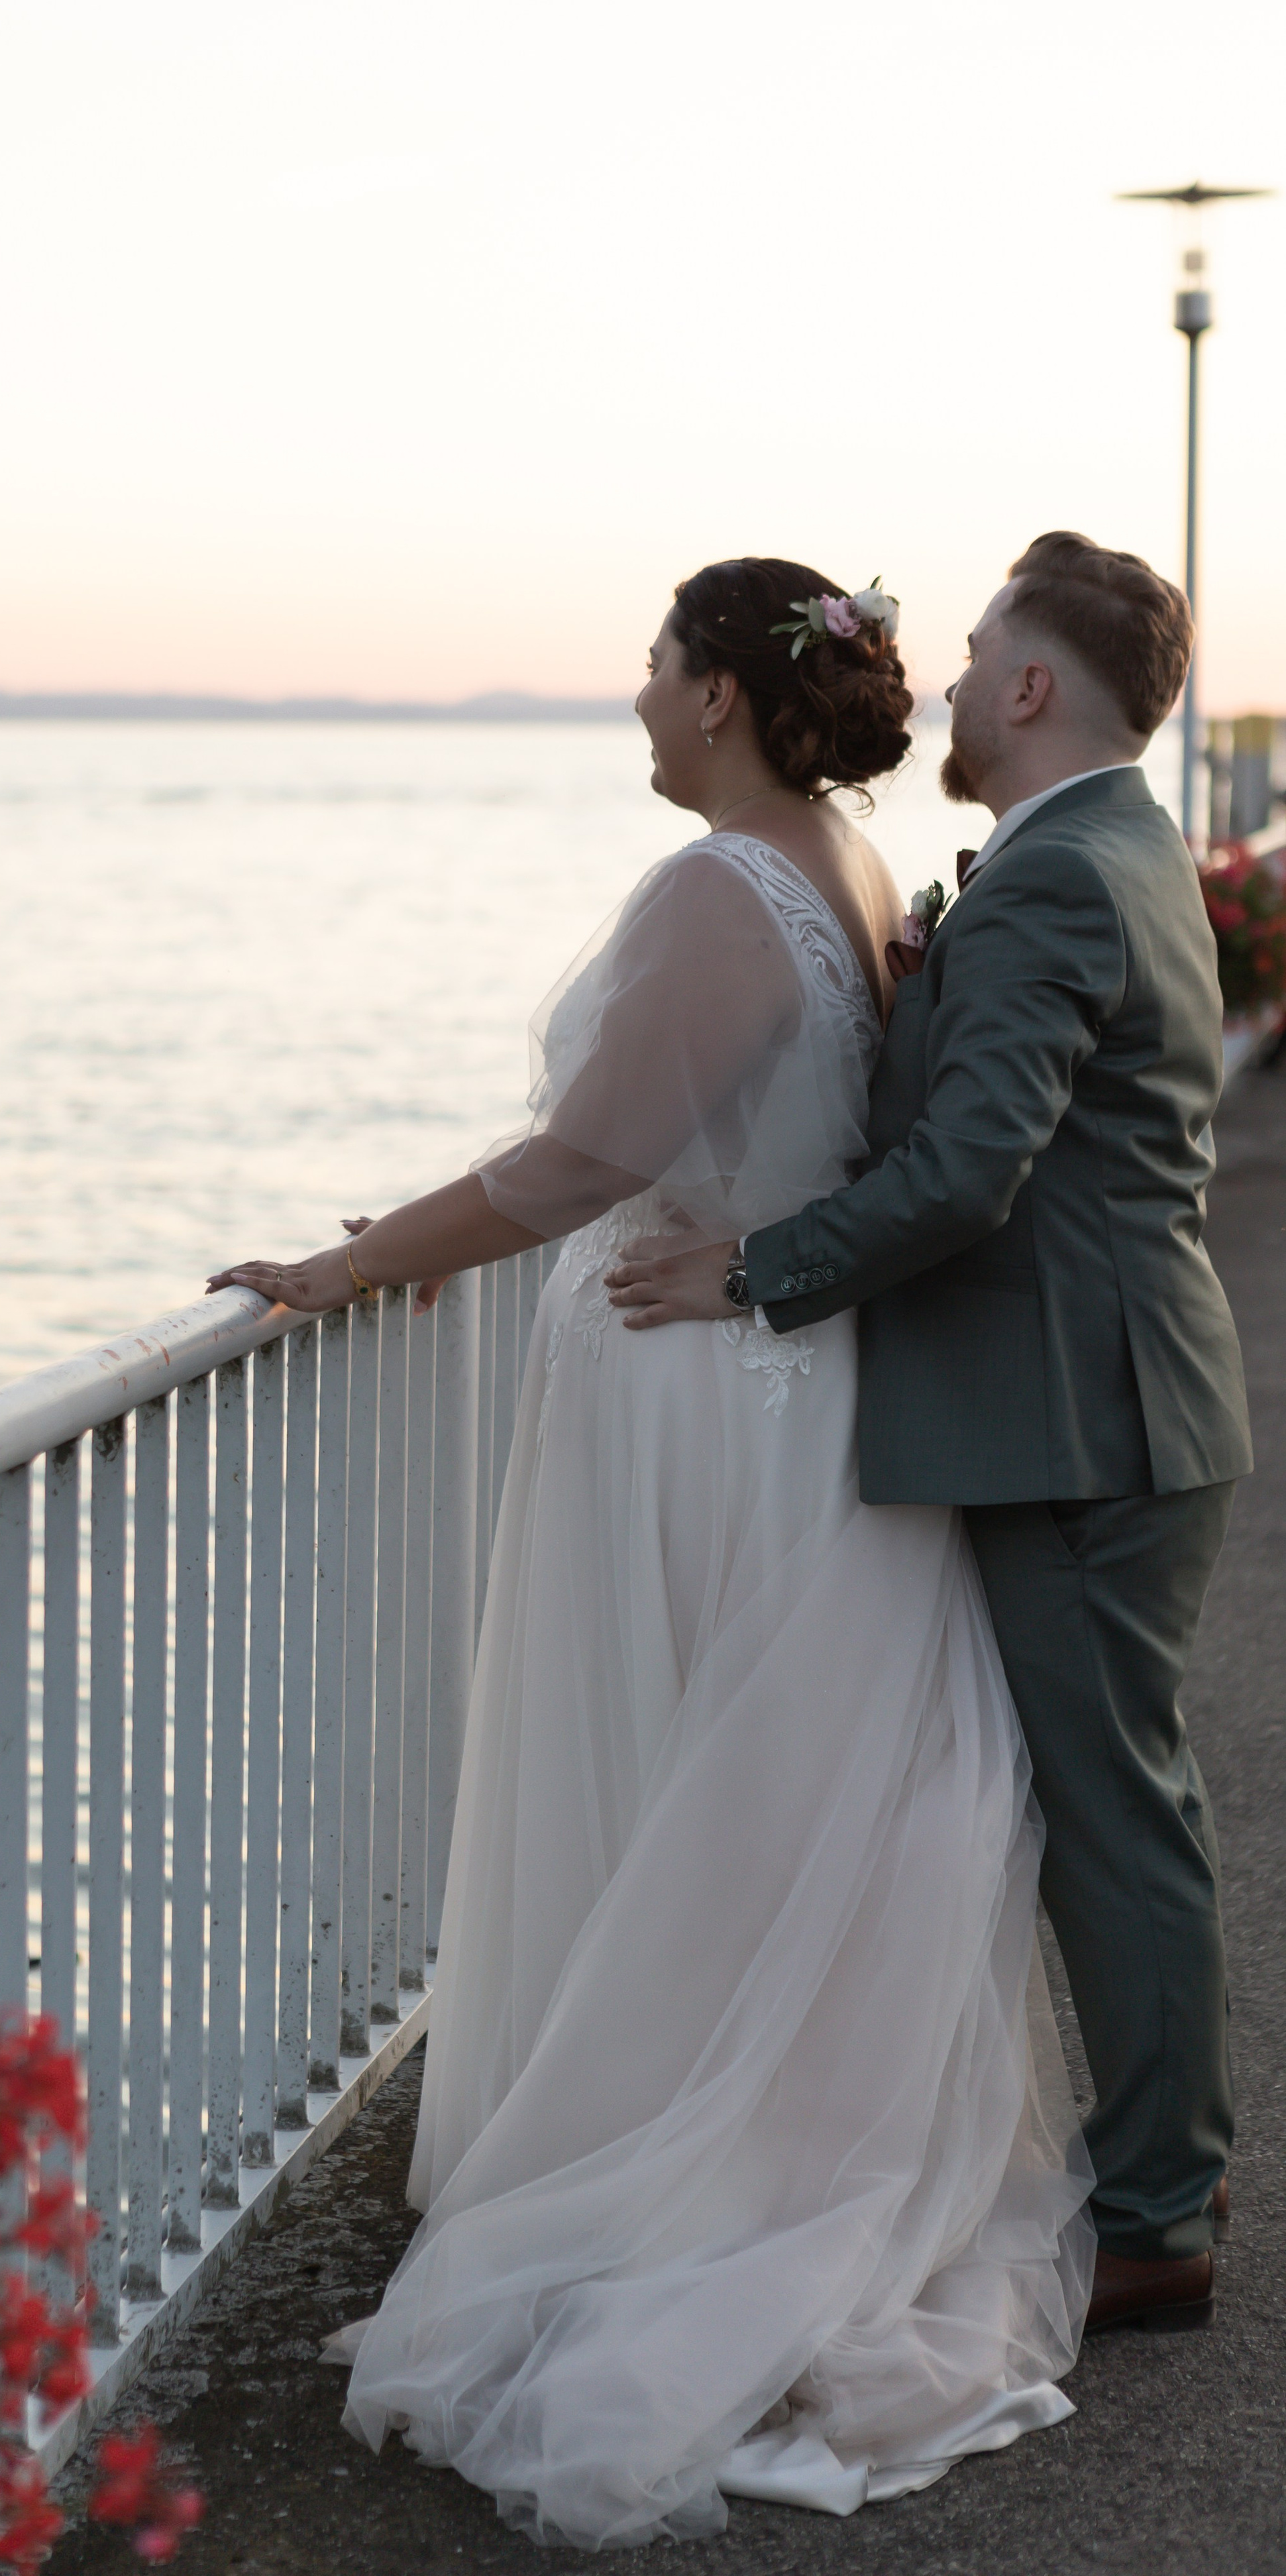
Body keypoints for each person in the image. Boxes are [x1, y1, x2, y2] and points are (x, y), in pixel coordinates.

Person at [211, 557, 1095, 2550]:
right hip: (782, 1380)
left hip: (705, 1397)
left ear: (720, 698)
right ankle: (711, 2124)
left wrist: (344, 1264)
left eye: (653, 664)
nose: (633, 696)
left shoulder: (726, 888)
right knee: (751, 1802)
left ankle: (653, 2169)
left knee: (678, 1778)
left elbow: (577, 1169)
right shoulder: (855, 871)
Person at [612, 531, 1248, 2342]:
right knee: (1099, 1804)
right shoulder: (1101, 853)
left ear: (1037, 686)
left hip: (1081, 1418)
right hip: (1090, 1400)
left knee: (1113, 1818)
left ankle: (1157, 2215)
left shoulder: (1062, 878)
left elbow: (977, 1170)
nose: (952, 684)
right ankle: (1145, 2180)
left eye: (979, 657)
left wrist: (760, 1271)